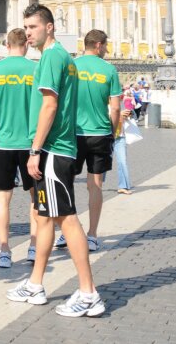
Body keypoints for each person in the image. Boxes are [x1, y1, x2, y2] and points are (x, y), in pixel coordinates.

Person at [7, 4, 105, 318]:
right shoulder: (65, 57)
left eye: (33, 27)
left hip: (52, 150)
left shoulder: (51, 57)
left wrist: (35, 150)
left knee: (67, 218)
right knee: (43, 215)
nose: (28, 33)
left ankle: (89, 292)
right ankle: (35, 283)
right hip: (57, 148)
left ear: (49, 27)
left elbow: (49, 105)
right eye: (25, 27)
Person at [0, 27, 37, 268]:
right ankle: (34, 247)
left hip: (2, 142)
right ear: (27, 45)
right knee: (35, 198)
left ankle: (4, 250)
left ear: (7, 45)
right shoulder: (37, 69)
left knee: (3, 198)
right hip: (31, 142)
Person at [69, 29, 121, 254]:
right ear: (98, 45)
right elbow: (116, 107)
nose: (107, 50)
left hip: (73, 133)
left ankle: (68, 230)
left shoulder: (72, 66)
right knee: (95, 185)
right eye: (106, 46)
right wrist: (112, 131)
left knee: (66, 183)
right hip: (100, 133)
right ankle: (91, 235)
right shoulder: (109, 69)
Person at [112, 88, 135, 195]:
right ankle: (96, 183)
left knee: (123, 162)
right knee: (101, 162)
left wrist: (129, 114)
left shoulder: (123, 103)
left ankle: (123, 186)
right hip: (107, 137)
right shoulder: (103, 104)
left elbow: (133, 115)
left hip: (120, 136)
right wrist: (119, 114)